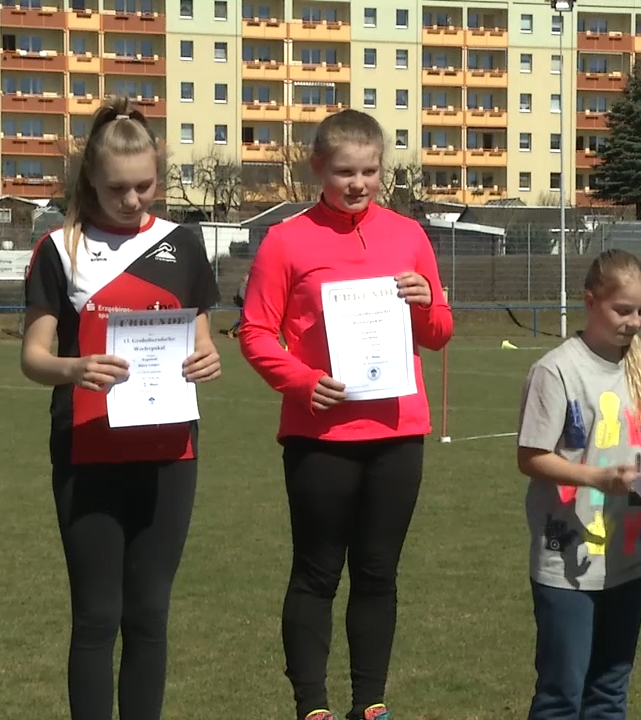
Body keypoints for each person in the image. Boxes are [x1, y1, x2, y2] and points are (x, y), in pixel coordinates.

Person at [238, 109, 454, 720]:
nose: (358, 183)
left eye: (370, 171)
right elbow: (255, 333)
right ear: (317, 167)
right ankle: (313, 704)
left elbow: (438, 334)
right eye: (344, 172)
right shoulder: (286, 240)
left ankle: (371, 703)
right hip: (320, 435)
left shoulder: (409, 235)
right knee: (317, 571)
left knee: (379, 571)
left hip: (397, 431)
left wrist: (425, 302)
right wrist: (302, 380)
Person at [20, 96, 222, 720]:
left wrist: (208, 360)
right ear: (89, 181)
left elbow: (203, 338)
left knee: (149, 613)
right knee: (98, 615)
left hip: (169, 449)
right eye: (118, 190)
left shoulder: (183, 245)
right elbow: (33, 357)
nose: (134, 201)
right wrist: (73, 368)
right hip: (89, 449)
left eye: (145, 186)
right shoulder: (61, 249)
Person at [515, 249, 641, 720]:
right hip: (568, 558)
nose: (634, 322)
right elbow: (531, 457)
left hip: (631, 554)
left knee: (609, 693)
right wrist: (600, 478)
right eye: (622, 310)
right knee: (562, 694)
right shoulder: (556, 370)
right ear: (590, 301)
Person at [225, 272, 249, 338]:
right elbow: (242, 295)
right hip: (243, 304)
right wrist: (246, 301)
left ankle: (244, 333)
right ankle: (231, 331)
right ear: (245, 278)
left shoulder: (248, 286)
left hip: (247, 304)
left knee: (245, 319)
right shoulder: (243, 286)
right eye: (248, 277)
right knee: (242, 319)